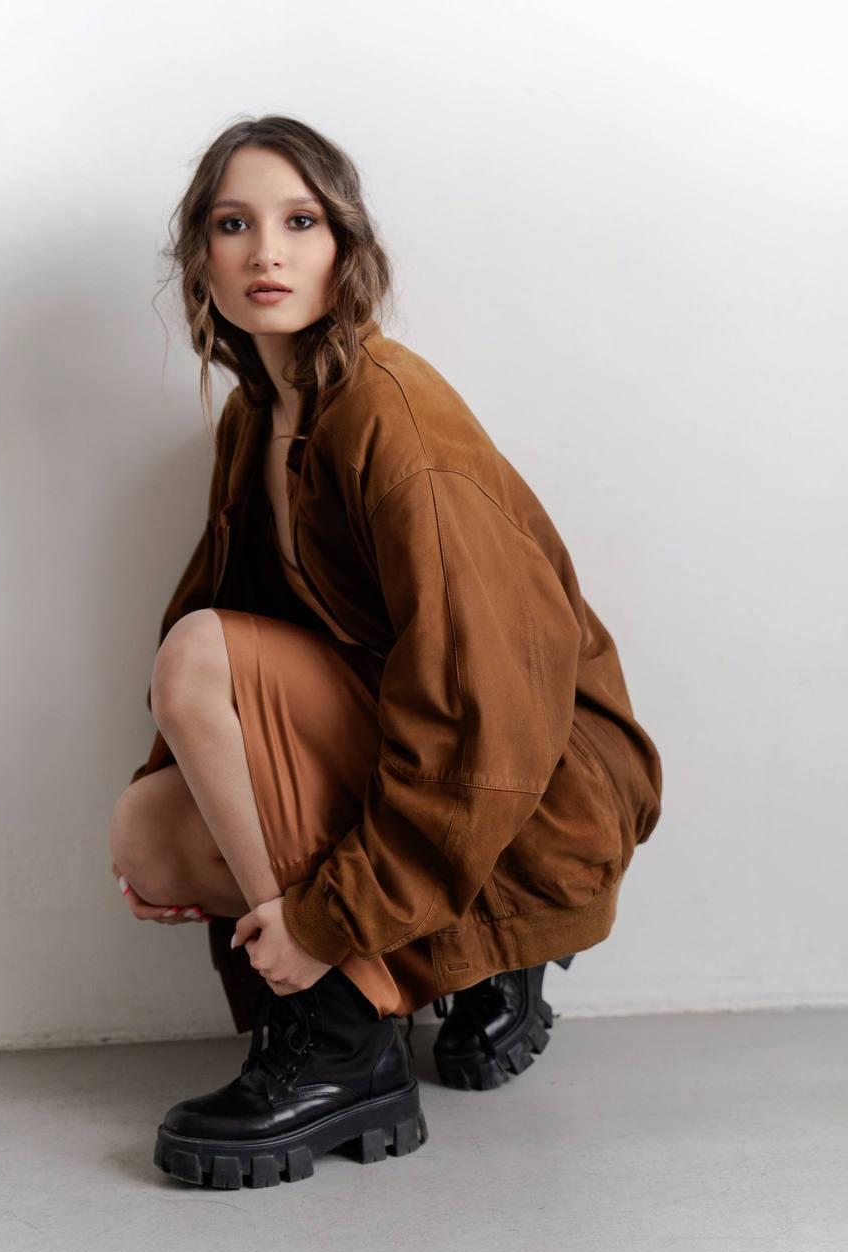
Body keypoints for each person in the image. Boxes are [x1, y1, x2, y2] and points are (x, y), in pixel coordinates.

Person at [109, 115, 663, 1191]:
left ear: (345, 247)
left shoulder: (391, 418)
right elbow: (237, 631)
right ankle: (403, 982)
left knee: (194, 658)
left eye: (300, 222)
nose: (267, 252)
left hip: (530, 789)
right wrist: (188, 798)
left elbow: (482, 715)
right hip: (407, 750)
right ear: (200, 256)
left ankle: (340, 1035)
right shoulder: (255, 420)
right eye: (233, 224)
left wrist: (324, 925)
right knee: (152, 834)